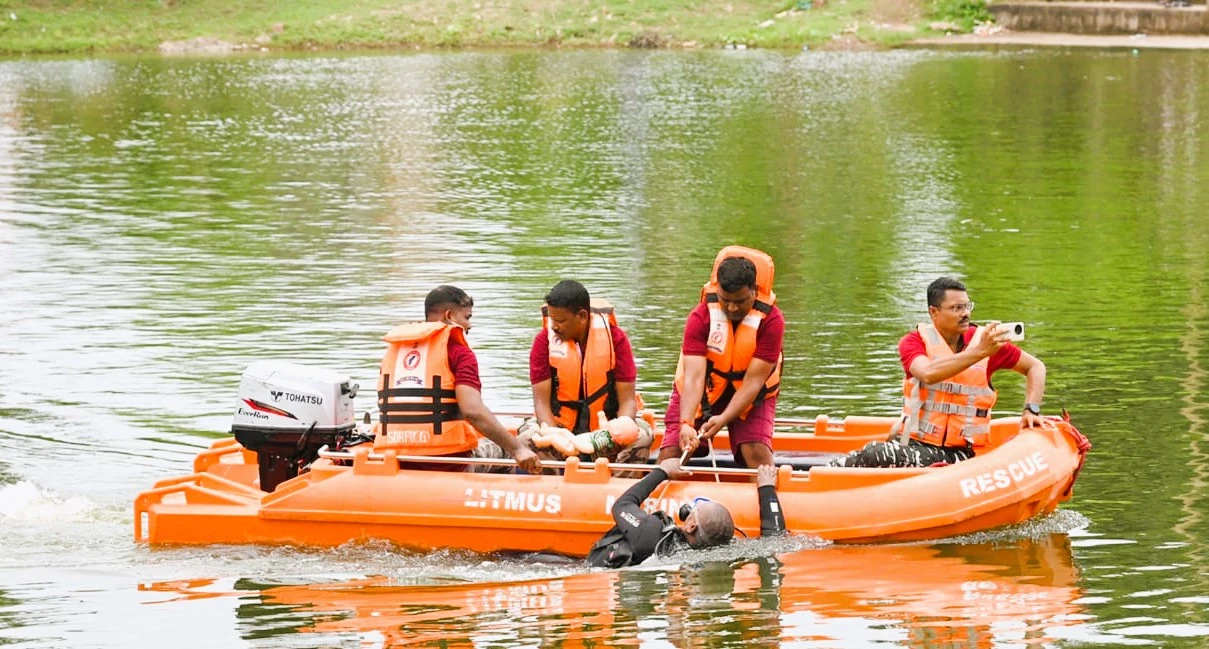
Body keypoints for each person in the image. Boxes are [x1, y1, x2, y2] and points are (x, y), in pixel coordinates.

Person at [832, 276, 1048, 468]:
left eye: (967, 306)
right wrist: (980, 352)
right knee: (877, 452)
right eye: (957, 308)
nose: (966, 314)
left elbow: (1035, 367)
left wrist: (1032, 409)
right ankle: (825, 478)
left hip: (959, 453)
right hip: (912, 442)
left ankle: (829, 474)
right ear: (934, 312)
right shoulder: (913, 342)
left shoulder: (986, 344)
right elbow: (927, 373)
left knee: (876, 453)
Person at [373, 285, 541, 473]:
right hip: (450, 462)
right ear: (449, 316)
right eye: (467, 318)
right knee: (525, 442)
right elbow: (472, 411)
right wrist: (517, 449)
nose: (469, 325)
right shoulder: (459, 353)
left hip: (398, 460)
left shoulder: (395, 352)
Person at [658, 246, 784, 469]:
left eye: (741, 301)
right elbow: (694, 377)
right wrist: (686, 423)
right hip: (704, 387)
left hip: (751, 393)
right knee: (672, 452)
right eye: (726, 300)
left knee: (756, 453)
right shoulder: (700, 317)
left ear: (755, 291)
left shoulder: (772, 322)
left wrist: (724, 418)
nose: (732, 307)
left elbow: (753, 382)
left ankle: (766, 497)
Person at [526, 280, 651, 463]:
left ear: (582, 316)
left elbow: (628, 401)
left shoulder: (616, 339)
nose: (554, 326)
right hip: (559, 430)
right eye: (552, 320)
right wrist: (557, 435)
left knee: (643, 435)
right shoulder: (543, 341)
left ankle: (623, 488)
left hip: (606, 430)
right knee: (526, 438)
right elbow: (541, 404)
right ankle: (553, 485)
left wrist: (608, 436)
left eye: (560, 321)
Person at [587, 461, 786, 568]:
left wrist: (662, 471)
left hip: (591, 570)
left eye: (696, 509)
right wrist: (767, 490)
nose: (691, 507)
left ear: (690, 526)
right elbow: (775, 539)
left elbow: (621, 505)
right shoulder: (729, 553)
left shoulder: (652, 533)